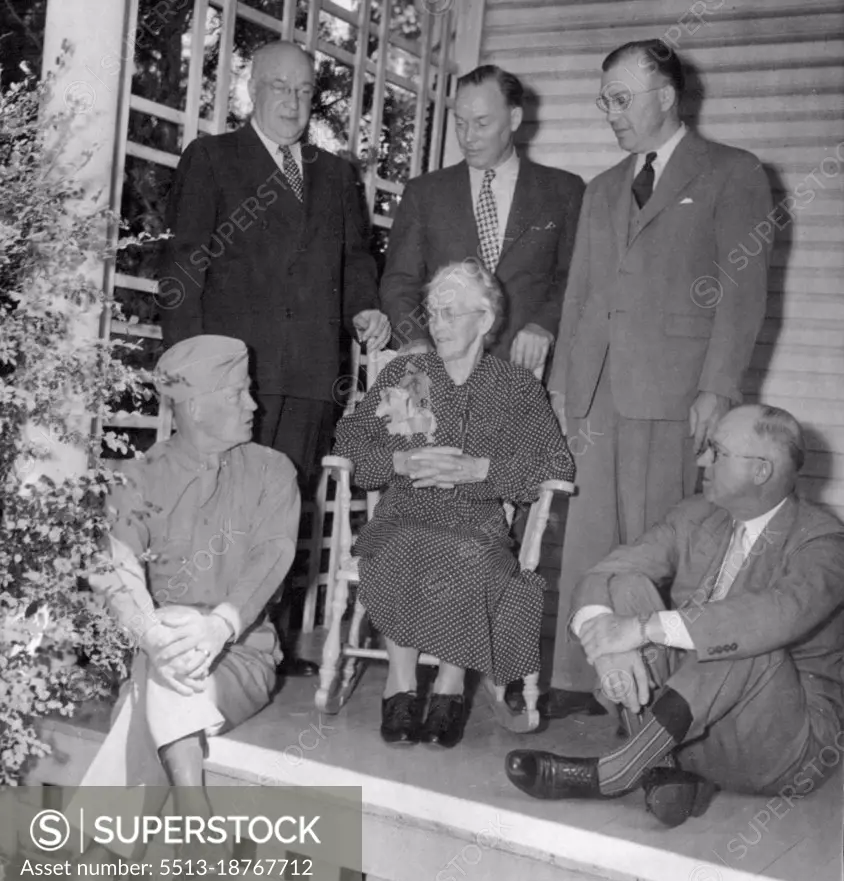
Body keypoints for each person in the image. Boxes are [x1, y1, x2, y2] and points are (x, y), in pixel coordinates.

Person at [13, 335, 301, 881]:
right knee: (159, 643)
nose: (254, 403)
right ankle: (179, 834)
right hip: (164, 653)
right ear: (194, 406)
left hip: (241, 655)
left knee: (151, 676)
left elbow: (271, 558)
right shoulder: (137, 478)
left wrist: (220, 623)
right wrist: (154, 631)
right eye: (237, 393)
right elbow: (119, 571)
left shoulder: (273, 471)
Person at [546, 40, 774, 706]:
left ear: (666, 97)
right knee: (590, 542)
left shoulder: (732, 172)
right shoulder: (601, 189)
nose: (609, 113)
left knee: (659, 546)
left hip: (678, 394)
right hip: (597, 393)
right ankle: (581, 680)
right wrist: (562, 388)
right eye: (604, 101)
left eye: (621, 99)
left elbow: (744, 292)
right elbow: (581, 296)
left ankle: (658, 693)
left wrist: (719, 387)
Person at [159, 41, 389, 674]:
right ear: (251, 91)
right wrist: (188, 371)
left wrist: (365, 308)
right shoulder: (212, 158)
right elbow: (184, 265)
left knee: (288, 506)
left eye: (305, 90)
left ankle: (270, 644)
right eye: (280, 88)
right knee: (223, 506)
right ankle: (209, 640)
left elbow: (354, 263)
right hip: (236, 379)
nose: (293, 101)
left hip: (313, 372)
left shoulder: (336, 174)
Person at [506, 405, 844, 826]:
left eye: (716, 452)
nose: (701, 459)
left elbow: (775, 615)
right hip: (684, 731)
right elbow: (605, 574)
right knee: (625, 588)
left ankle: (616, 773)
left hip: (776, 747)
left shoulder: (824, 542)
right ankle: (661, 769)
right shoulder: (695, 515)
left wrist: (640, 629)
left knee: (744, 638)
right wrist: (607, 643)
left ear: (761, 471)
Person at [333, 262, 575, 749]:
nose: (436, 325)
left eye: (449, 314)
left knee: (467, 553)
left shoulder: (516, 387)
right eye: (432, 314)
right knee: (403, 542)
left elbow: (555, 465)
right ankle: (400, 687)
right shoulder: (407, 372)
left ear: (484, 320)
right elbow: (350, 437)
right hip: (401, 514)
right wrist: (397, 461)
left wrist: (482, 471)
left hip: (476, 523)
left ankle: (450, 686)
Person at [380, 65, 584, 372]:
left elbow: (575, 276)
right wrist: (415, 341)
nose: (468, 137)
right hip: (441, 371)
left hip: (527, 374)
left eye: (482, 123)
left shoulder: (563, 191)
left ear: (514, 119)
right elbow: (400, 282)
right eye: (460, 124)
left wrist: (545, 326)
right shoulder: (424, 193)